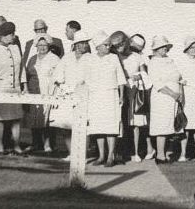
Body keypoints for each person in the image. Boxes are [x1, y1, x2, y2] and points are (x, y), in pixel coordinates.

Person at [83, 30, 126, 167]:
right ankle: (101, 156)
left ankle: (110, 156)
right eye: (105, 45)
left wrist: (121, 95)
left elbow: (120, 78)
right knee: (98, 127)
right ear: (98, 46)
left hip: (110, 95)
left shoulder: (113, 58)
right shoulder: (90, 59)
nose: (108, 47)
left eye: (109, 45)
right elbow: (86, 79)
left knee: (111, 126)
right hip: (95, 96)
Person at [0, 21, 24, 154]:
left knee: (16, 118)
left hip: (15, 88)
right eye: (11, 34)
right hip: (0, 89)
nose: (13, 36)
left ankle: (17, 145)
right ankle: (0, 146)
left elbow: (21, 68)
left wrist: (24, 86)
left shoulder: (15, 48)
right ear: (3, 36)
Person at [51, 30, 91, 158]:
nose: (85, 45)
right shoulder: (67, 57)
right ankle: (71, 154)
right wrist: (62, 84)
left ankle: (82, 156)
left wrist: (84, 85)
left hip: (84, 95)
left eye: (86, 43)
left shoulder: (91, 58)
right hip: (67, 94)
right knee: (66, 126)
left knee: (83, 126)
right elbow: (58, 75)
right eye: (82, 43)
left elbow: (93, 77)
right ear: (76, 44)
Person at [147, 36, 183, 164]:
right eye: (162, 47)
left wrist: (179, 92)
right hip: (162, 97)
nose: (164, 49)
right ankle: (160, 155)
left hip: (173, 98)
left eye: (165, 47)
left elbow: (178, 76)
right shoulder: (153, 62)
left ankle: (167, 153)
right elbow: (157, 83)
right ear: (156, 49)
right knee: (161, 125)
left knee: (170, 125)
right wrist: (172, 94)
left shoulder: (170, 60)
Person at [24, 35, 60, 152]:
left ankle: (48, 143)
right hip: (33, 90)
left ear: (49, 46)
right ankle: (36, 143)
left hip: (47, 90)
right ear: (36, 46)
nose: (42, 47)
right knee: (34, 117)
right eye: (40, 45)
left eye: (45, 45)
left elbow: (58, 76)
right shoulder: (32, 59)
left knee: (47, 117)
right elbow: (27, 75)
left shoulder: (54, 58)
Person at [121, 33, 152, 161]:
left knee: (136, 123)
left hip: (134, 92)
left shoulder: (139, 57)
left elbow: (144, 74)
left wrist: (138, 76)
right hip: (121, 91)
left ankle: (136, 152)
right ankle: (123, 152)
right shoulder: (117, 56)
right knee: (123, 122)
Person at [175, 36, 195, 163]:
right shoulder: (181, 61)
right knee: (185, 125)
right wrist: (181, 83)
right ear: (187, 49)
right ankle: (183, 154)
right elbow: (177, 77)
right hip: (185, 95)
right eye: (191, 47)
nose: (194, 50)